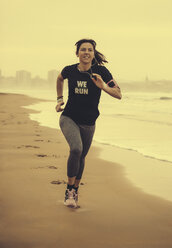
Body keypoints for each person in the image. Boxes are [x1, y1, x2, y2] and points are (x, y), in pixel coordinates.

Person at [56, 38, 122, 208]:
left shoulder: (102, 72)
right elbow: (59, 78)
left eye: (90, 50)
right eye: (83, 49)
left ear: (93, 53)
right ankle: (69, 189)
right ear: (77, 53)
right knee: (76, 149)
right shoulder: (70, 70)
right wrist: (59, 99)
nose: (86, 52)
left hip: (89, 122)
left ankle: (75, 190)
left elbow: (118, 94)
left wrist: (103, 87)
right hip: (69, 117)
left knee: (82, 156)